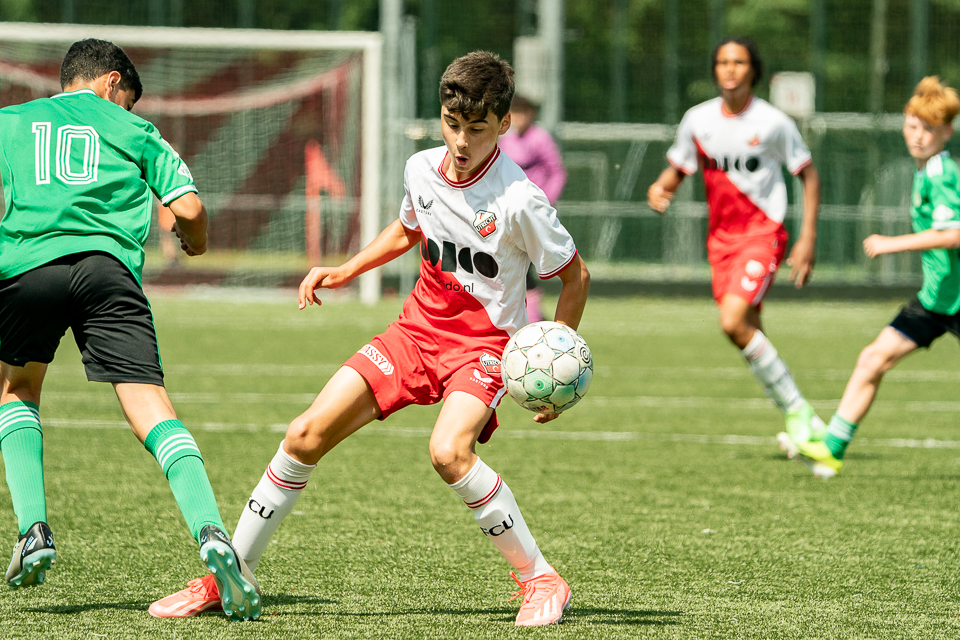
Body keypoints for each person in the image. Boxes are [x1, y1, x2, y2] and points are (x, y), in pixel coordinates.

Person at [150, 50, 590, 627]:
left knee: (449, 452)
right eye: (452, 124)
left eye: (477, 130)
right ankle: (230, 573)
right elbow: (409, 229)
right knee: (305, 433)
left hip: (482, 348)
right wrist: (346, 269)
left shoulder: (519, 199)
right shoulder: (421, 169)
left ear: (504, 125)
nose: (461, 142)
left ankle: (540, 578)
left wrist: (558, 358)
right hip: (412, 333)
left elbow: (574, 274)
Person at [0, 39, 260, 620]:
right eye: (128, 100)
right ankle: (213, 535)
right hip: (106, 272)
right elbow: (188, 211)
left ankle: (33, 531)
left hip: (26, 271)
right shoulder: (135, 130)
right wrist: (196, 243)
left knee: (17, 389)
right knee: (151, 405)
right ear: (112, 83)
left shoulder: (11, 121)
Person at [646, 36, 824, 455]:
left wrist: (808, 237)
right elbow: (679, 168)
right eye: (723, 62)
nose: (730, 69)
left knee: (732, 321)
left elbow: (808, 175)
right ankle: (802, 423)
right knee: (747, 330)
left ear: (753, 71)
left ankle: (799, 411)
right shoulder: (697, 120)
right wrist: (661, 188)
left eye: (739, 62)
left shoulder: (774, 123)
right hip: (721, 242)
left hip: (763, 234)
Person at [797, 77, 960, 478]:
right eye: (911, 126)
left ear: (946, 132)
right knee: (872, 358)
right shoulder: (925, 170)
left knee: (872, 359)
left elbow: (954, 233)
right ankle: (832, 447)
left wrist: (893, 243)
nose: (917, 136)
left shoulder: (941, 173)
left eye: (928, 129)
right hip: (936, 299)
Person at [500, 94, 568, 323]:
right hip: (507, 212)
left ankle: (534, 318)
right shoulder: (506, 140)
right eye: (514, 113)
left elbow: (557, 172)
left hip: (533, 213)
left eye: (522, 113)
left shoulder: (540, 138)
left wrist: (546, 203)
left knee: (527, 265)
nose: (518, 118)